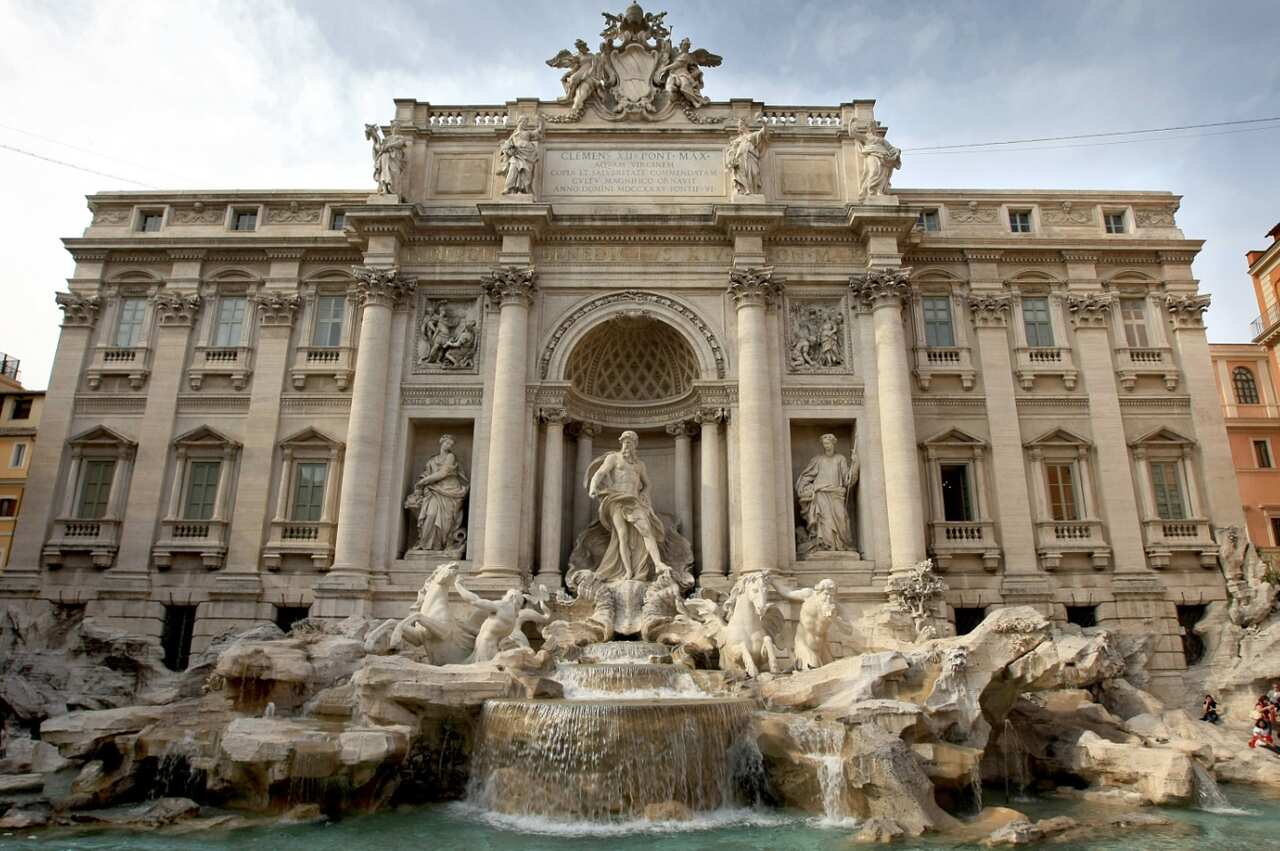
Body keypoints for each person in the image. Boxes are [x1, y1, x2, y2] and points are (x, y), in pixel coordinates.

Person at [587, 431, 671, 582]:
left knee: (646, 530)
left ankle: (658, 563)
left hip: (633, 501)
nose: (627, 444)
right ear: (621, 443)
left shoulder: (639, 465)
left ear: (635, 445)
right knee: (622, 536)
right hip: (616, 499)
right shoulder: (613, 458)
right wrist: (593, 487)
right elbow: (600, 473)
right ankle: (627, 571)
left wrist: (645, 493)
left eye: (630, 442)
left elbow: (647, 484)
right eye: (625, 441)